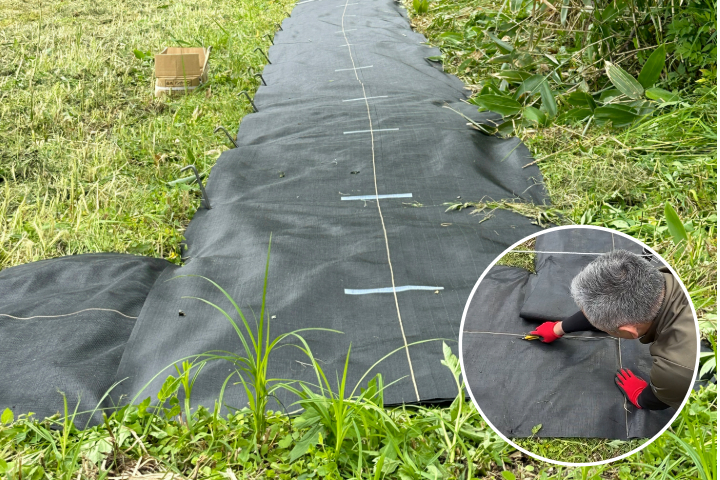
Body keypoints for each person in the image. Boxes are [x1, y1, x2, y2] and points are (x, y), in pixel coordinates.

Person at [528, 249, 696, 410]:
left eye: (602, 326)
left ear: (629, 331)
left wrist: (642, 397)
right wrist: (559, 328)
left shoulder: (676, 371)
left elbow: (662, 401)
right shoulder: (664, 278)